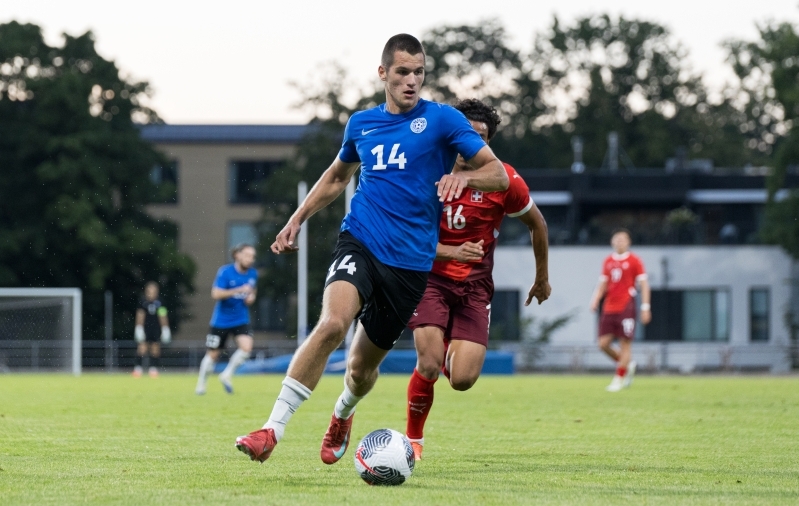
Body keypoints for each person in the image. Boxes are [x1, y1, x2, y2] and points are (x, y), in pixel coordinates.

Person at [235, 33, 509, 465]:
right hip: (360, 241)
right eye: (402, 72)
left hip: (411, 266)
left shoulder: (443, 120)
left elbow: (499, 175)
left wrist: (466, 178)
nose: (411, 80)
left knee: (361, 371)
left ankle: (342, 413)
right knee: (332, 324)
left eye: (419, 72)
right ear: (383, 73)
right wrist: (296, 218)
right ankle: (271, 429)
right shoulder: (361, 124)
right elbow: (337, 177)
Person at [404, 99, 551, 460]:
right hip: (430, 280)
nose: (472, 144)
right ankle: (413, 439)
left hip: (475, 287)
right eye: (467, 135)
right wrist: (451, 253)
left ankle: (446, 354)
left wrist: (542, 278)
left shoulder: (505, 179)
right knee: (428, 363)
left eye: (481, 138)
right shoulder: (426, 170)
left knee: (464, 381)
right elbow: (406, 239)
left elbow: (538, 224)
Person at [589, 228, 651, 392]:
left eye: (623, 239)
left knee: (625, 344)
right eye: (617, 239)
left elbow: (644, 285)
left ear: (628, 242)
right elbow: (603, 282)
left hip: (626, 306)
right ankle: (627, 364)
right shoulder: (608, 261)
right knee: (603, 344)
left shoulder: (635, 260)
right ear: (612, 242)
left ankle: (619, 378)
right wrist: (595, 299)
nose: (619, 242)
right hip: (609, 307)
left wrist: (645, 307)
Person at [195, 243, 257, 395]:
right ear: (238, 255)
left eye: (252, 256)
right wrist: (237, 290)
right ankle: (201, 384)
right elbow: (215, 294)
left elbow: (252, 293)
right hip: (221, 321)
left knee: (247, 348)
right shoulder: (225, 272)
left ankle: (226, 374)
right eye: (247, 255)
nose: (250, 259)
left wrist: (251, 298)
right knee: (213, 355)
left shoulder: (253, 274)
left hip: (241, 319)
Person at [133, 281, 171, 378]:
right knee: (142, 347)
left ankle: (153, 369)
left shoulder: (160, 302)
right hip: (145, 327)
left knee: (155, 348)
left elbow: (163, 315)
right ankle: (138, 369)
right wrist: (139, 327)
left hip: (156, 328)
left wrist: (165, 328)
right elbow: (140, 315)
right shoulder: (143, 301)